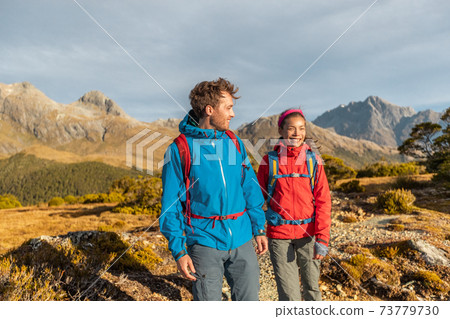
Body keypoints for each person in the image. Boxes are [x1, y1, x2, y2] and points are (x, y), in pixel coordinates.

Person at [160, 77, 268, 301]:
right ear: (210, 109)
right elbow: (170, 206)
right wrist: (179, 251)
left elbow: (249, 186)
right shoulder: (179, 149)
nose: (233, 114)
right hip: (203, 242)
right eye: (228, 108)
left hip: (242, 237)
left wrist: (258, 227)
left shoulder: (234, 142)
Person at [257, 108, 331, 301]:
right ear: (281, 131)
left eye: (301, 128)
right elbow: (256, 198)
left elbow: (323, 201)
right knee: (289, 296)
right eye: (291, 129)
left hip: (309, 233)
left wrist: (322, 237)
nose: (297, 133)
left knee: (312, 290)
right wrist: (260, 226)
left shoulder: (313, 161)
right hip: (279, 236)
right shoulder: (269, 161)